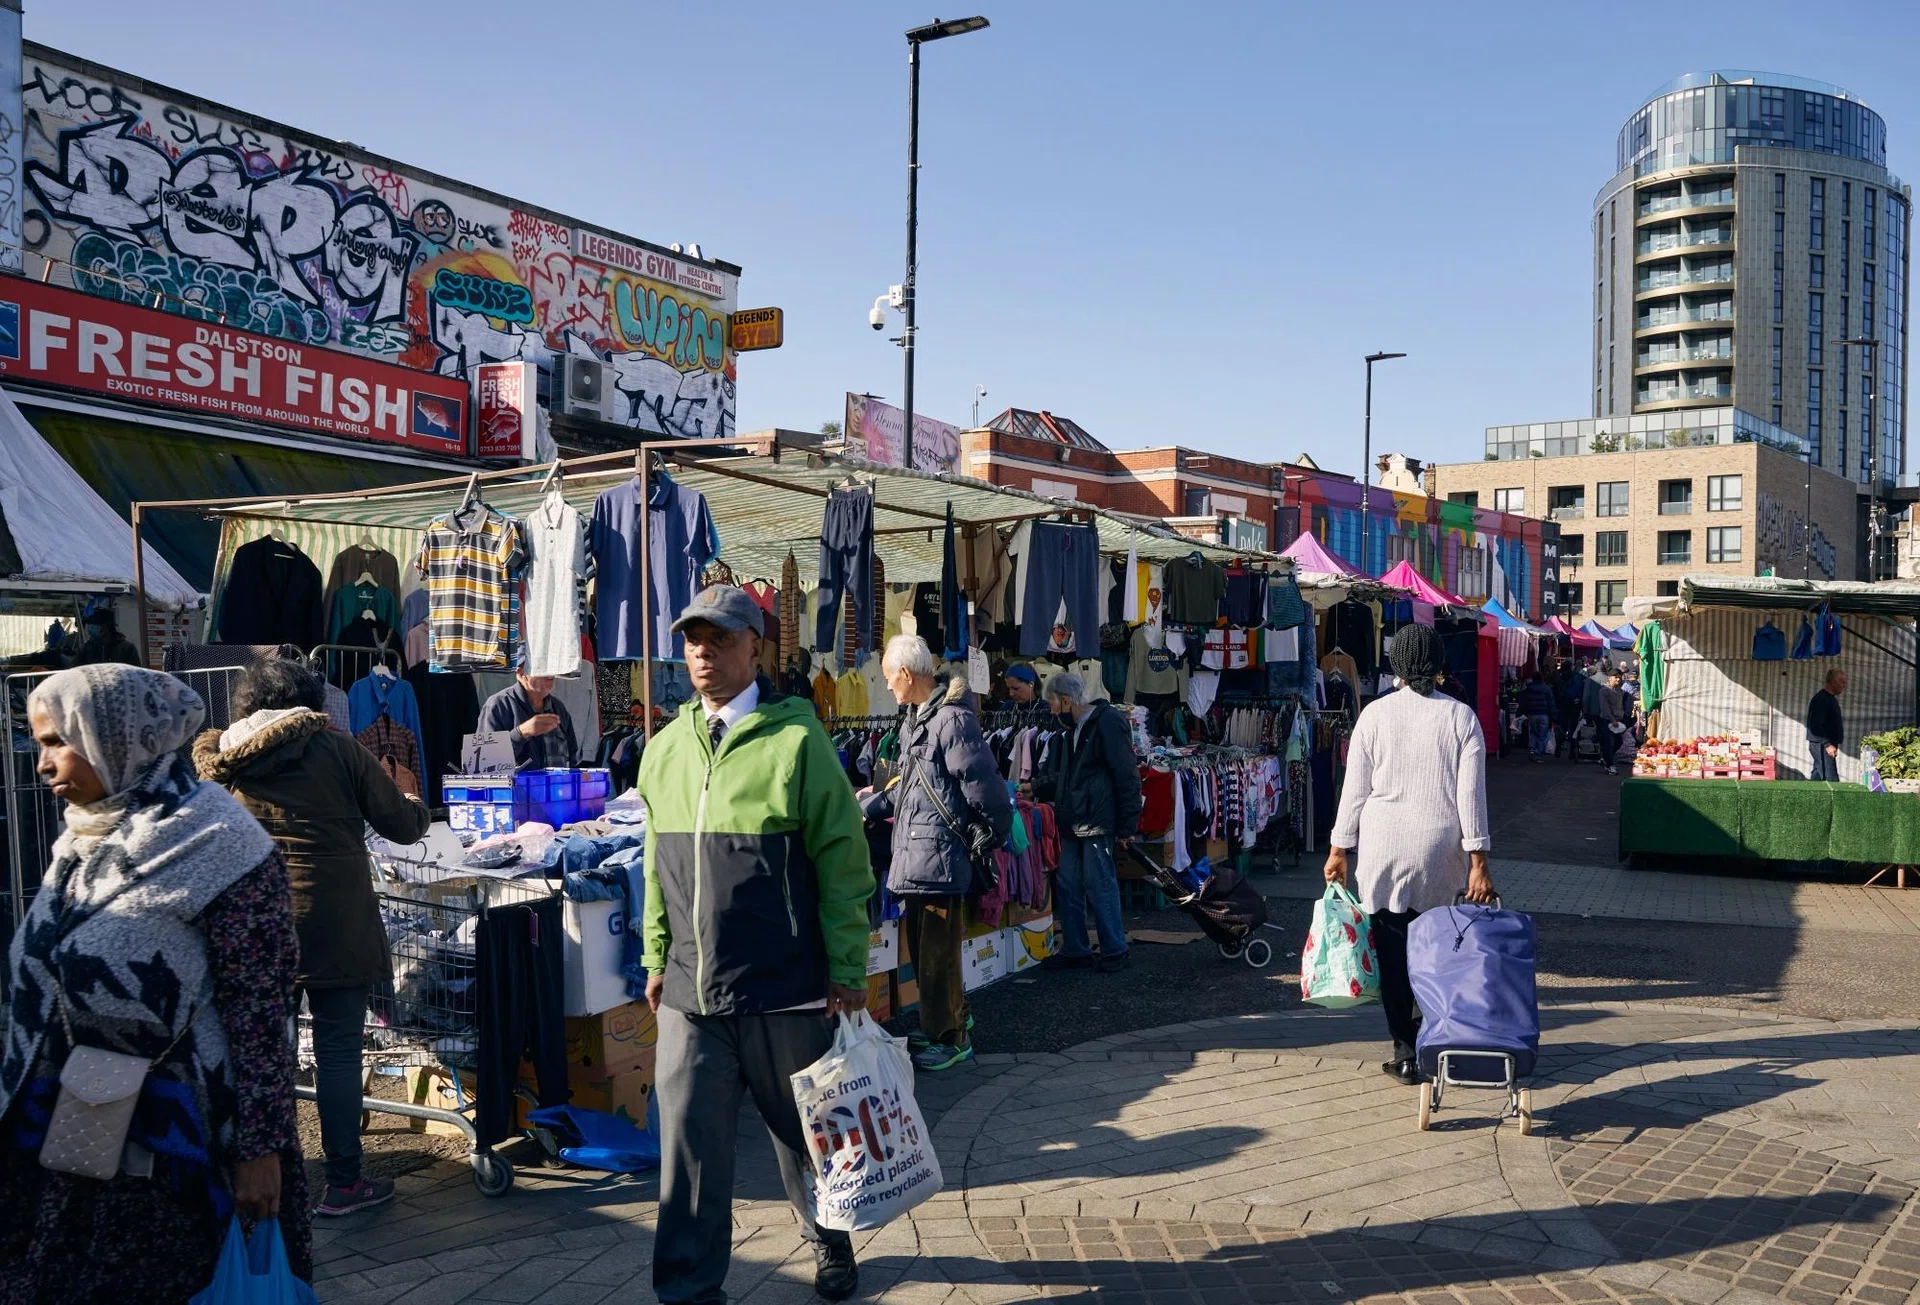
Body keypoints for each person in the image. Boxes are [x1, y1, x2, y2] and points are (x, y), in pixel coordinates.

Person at [0, 666, 311, 1297]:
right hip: (75, 1141)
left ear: (117, 738)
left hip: (179, 1160)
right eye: (39, 743)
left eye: (60, 740)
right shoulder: (86, 839)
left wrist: (260, 1148)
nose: (43, 763)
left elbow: (260, 1015)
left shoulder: (223, 846)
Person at [638, 585, 873, 1304]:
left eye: (719, 637)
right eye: (692, 639)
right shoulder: (664, 748)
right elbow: (655, 862)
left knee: (805, 1132)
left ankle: (829, 1238)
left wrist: (848, 966)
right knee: (690, 1147)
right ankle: (688, 1288)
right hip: (691, 990)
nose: (702, 652)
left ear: (754, 647)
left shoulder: (798, 742)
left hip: (783, 986)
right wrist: (655, 954)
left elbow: (842, 860)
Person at [194, 657, 430, 1217]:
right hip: (337, 920)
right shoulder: (339, 748)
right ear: (312, 700)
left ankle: (268, 1174)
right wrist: (415, 802)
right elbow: (401, 823)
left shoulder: (225, 761)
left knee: (264, 1056)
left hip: (258, 926)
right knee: (338, 1054)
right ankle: (345, 1183)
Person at [1325, 625, 1496, 1086]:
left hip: (1383, 846)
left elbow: (1354, 791)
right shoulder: (1461, 718)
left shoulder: (1375, 716)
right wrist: (1478, 859)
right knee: (1439, 950)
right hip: (1439, 846)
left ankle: (1403, 1051)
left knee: (1392, 951)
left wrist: (1340, 848)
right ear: (1440, 665)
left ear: (1396, 665)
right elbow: (1471, 796)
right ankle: (1436, 1040)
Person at [863, 634, 1013, 1072]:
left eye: (890, 678)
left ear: (907, 675)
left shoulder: (949, 721)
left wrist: (994, 833)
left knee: (937, 956)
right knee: (929, 951)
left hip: (938, 856)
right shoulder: (918, 721)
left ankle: (950, 1038)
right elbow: (904, 792)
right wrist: (863, 806)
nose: (889, 686)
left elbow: (984, 784)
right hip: (918, 855)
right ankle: (949, 1024)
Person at [1035, 670, 1142, 974]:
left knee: (1099, 885)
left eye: (1054, 705)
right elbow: (1071, 776)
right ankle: (1076, 949)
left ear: (1066, 701)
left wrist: (1127, 825)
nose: (1053, 712)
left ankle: (1114, 950)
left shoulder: (1106, 722)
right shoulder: (1075, 729)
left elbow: (1126, 773)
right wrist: (1038, 786)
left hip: (1096, 819)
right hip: (1075, 818)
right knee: (1068, 885)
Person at [481, 669, 578, 771]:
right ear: (521, 673)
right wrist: (521, 733)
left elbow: (572, 757)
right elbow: (485, 762)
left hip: (558, 786)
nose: (549, 671)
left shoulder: (558, 707)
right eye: (541, 665)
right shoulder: (499, 705)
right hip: (518, 786)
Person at [1807, 667, 1847, 781]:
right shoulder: (1821, 699)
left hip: (1827, 744)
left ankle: (1810, 796)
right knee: (1830, 778)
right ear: (1833, 682)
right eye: (1842, 682)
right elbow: (1815, 725)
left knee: (1818, 775)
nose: (1844, 685)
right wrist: (1827, 744)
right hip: (1822, 745)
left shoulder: (1831, 699)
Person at [1515, 671, 1555, 763]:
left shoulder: (1529, 689)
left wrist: (1523, 711)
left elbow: (1524, 701)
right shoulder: (1547, 689)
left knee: (1533, 732)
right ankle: (1539, 754)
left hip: (1532, 714)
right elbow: (1551, 703)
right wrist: (1553, 716)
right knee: (1542, 735)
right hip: (1543, 714)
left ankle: (1532, 749)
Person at [1595, 670, 1628, 775]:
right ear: (1610, 678)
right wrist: (1612, 719)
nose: (1618, 679)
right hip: (1606, 720)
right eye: (1616, 677)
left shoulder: (1619, 690)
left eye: (1619, 677)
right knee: (1608, 742)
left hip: (1618, 720)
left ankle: (1605, 758)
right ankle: (1610, 765)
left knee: (1619, 742)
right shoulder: (1604, 690)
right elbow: (1605, 707)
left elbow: (1620, 705)